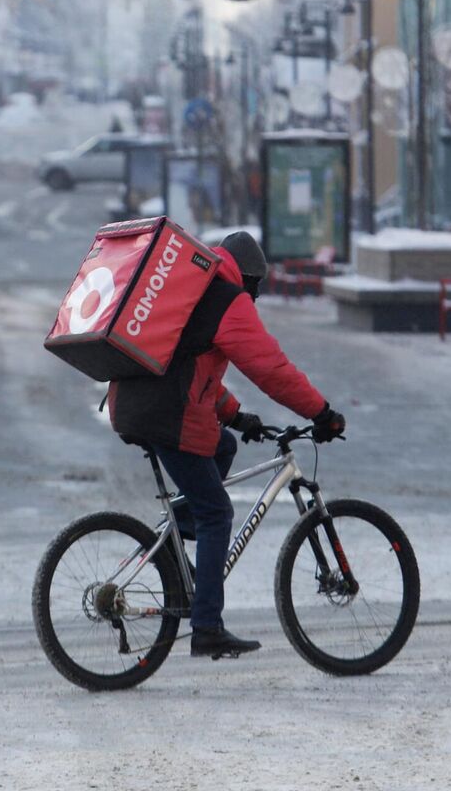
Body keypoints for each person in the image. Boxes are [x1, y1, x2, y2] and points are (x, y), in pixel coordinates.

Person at [104, 230, 345, 661]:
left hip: (140, 405)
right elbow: (271, 368)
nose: (254, 297)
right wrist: (320, 413)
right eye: (256, 288)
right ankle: (207, 627)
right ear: (249, 277)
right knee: (216, 513)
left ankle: (175, 555)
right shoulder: (227, 298)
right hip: (167, 415)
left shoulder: (195, 288)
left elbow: (193, 372)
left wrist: (235, 416)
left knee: (222, 448)